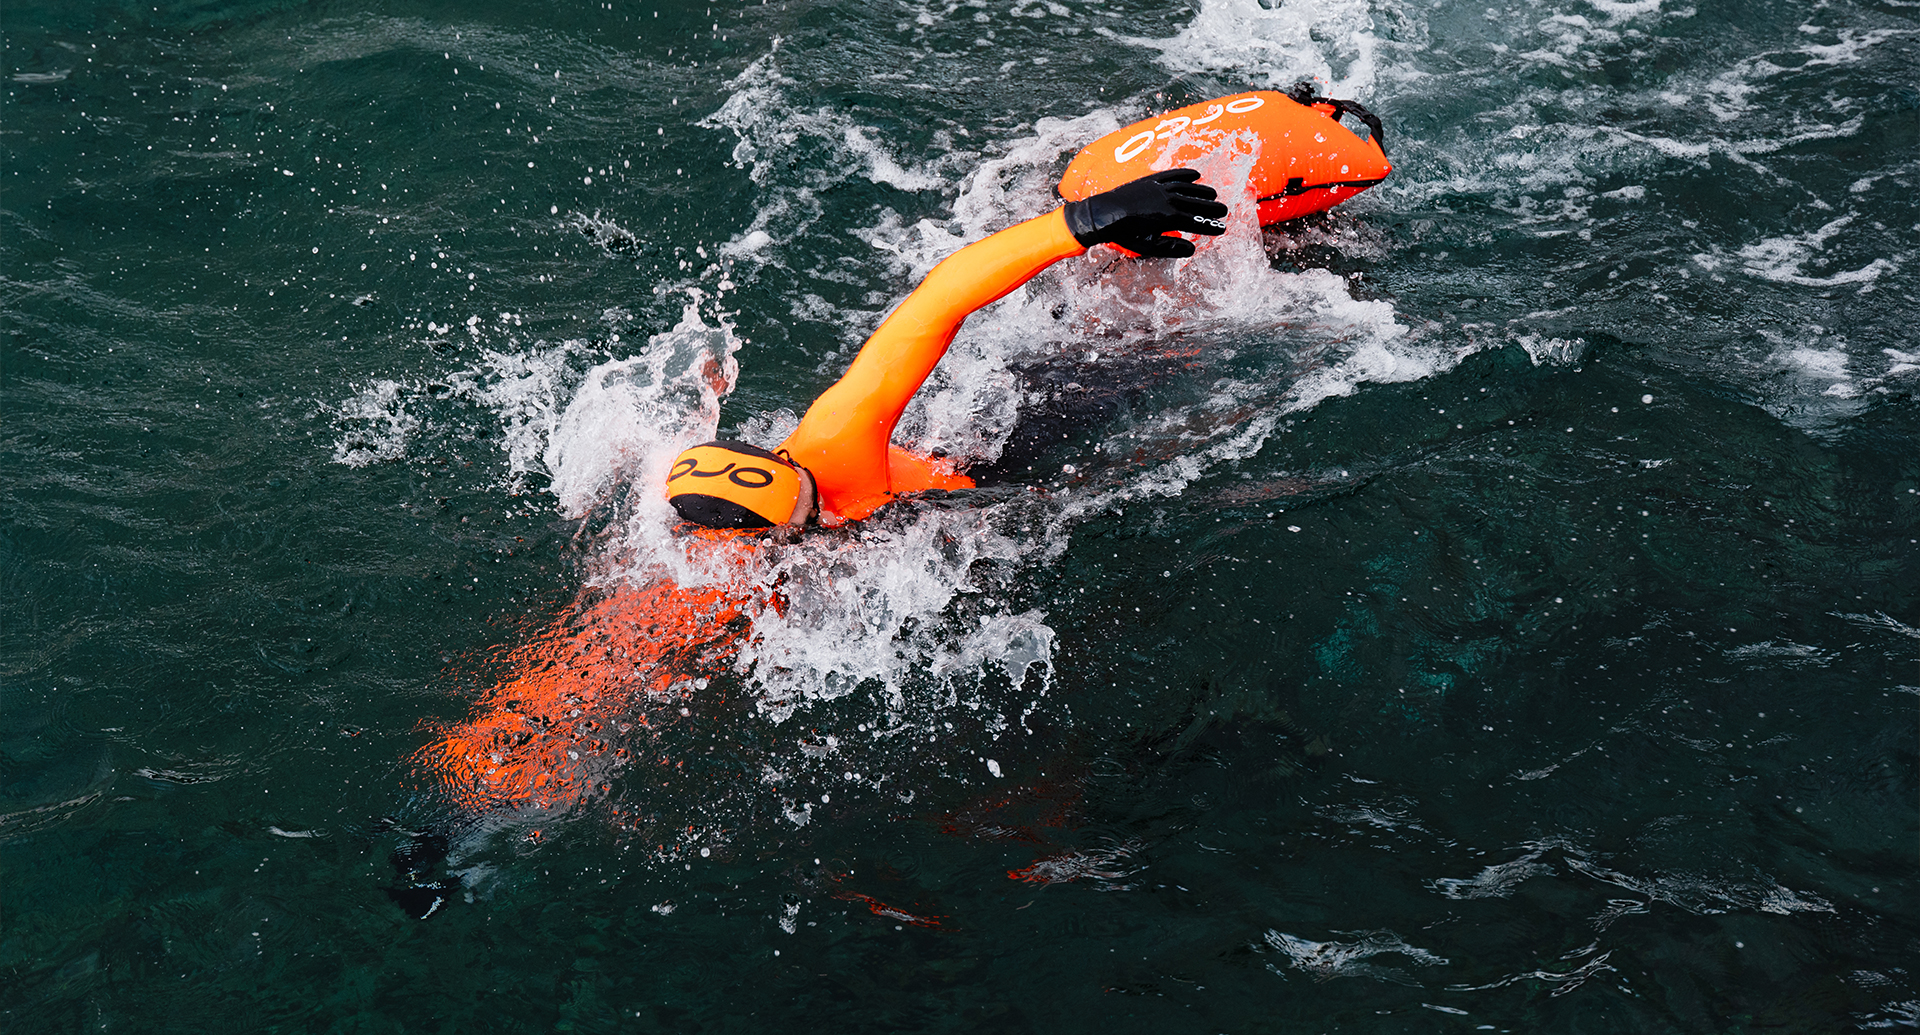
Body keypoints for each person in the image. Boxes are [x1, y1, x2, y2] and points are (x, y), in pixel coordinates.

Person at [665, 168, 1229, 530]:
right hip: (920, 514)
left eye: (810, 494)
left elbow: (937, 302)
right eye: (808, 515)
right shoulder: (710, 565)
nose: (823, 509)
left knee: (1176, 355)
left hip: (984, 469)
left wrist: (1086, 220)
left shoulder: (835, 438)